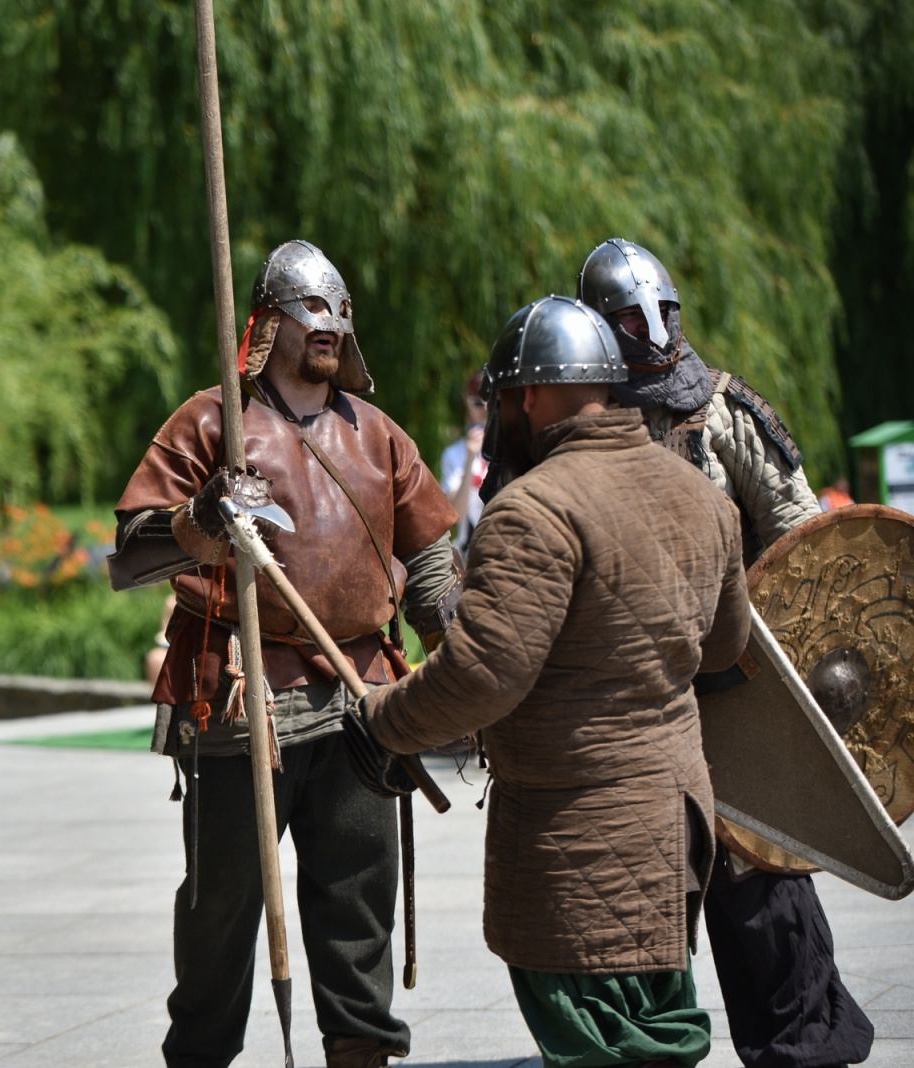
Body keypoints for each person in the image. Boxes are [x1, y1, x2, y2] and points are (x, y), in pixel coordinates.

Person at [360, 295, 751, 1068]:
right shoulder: (703, 498)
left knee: (600, 1041)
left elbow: (481, 676)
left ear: (528, 396)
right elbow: (725, 645)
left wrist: (380, 719)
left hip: (580, 834)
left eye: (499, 398)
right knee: (657, 1026)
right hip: (677, 821)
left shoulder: (534, 509)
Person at [109, 240, 462, 1068]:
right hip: (241, 694)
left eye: (340, 311)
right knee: (224, 905)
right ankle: (201, 1053)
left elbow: (433, 568)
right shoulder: (210, 421)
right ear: (267, 326)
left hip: (361, 696)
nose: (330, 325)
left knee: (357, 895)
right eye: (312, 310)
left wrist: (465, 667)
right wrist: (202, 520)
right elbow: (130, 549)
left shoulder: (378, 435)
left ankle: (359, 1053)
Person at [577, 238, 874, 1068]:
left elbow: (808, 547)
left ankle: (804, 1048)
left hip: (740, 691)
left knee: (762, 889)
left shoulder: (723, 408)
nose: (651, 329)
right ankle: (644, 1051)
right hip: (627, 704)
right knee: (637, 897)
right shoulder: (568, 413)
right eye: (630, 318)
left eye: (661, 312)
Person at [438, 370, 488, 551]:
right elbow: (455, 515)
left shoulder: (509, 447)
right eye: (478, 403)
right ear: (467, 402)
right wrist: (469, 460)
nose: (484, 409)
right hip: (467, 551)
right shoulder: (454, 454)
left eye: (491, 403)